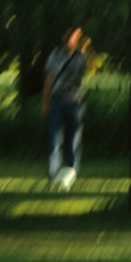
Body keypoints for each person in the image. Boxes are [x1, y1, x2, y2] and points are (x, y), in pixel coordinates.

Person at [44, 30, 89, 190]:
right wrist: (46, 102)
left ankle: (70, 173)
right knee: (55, 140)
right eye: (70, 36)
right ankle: (53, 174)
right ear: (65, 38)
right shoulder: (55, 55)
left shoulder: (80, 57)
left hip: (75, 103)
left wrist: (85, 53)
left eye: (75, 38)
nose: (72, 40)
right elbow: (49, 79)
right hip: (56, 102)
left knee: (73, 140)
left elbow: (89, 71)